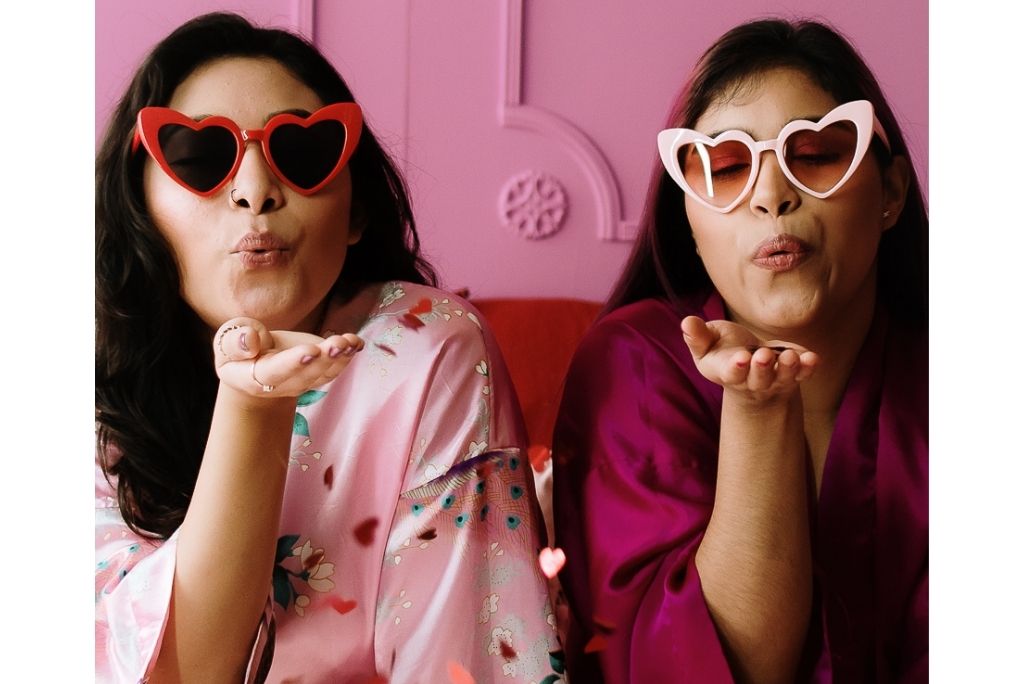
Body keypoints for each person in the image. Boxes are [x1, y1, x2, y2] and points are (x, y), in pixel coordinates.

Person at [95, 12, 563, 683]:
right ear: (139, 207)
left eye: (304, 153)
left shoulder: (424, 348)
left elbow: (470, 663)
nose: (256, 192)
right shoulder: (76, 384)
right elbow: (170, 670)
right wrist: (250, 401)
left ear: (357, 212)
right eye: (200, 157)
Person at [552, 18, 927, 684]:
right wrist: (757, 408)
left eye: (814, 153)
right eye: (725, 167)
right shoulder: (631, 362)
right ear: (689, 222)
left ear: (890, 193)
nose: (771, 195)